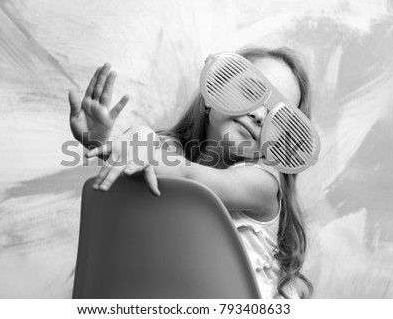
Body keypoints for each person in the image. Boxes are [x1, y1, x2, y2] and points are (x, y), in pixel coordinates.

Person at [68, 47, 314, 298]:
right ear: (213, 90)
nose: (259, 115)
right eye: (250, 91)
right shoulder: (170, 149)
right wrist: (100, 142)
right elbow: (130, 196)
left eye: (279, 118)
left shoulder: (264, 183)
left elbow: (188, 177)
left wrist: (143, 139)